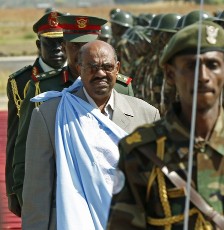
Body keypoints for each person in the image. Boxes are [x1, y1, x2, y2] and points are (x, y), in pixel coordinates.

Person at [107, 21, 224, 229]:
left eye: (212, 65)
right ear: (170, 74)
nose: (203, 77)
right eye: (191, 66)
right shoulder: (140, 151)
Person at [22, 40, 160, 229]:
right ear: (79, 68)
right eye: (92, 67)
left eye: (107, 67)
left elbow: (155, 186)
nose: (100, 73)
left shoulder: (146, 115)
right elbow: (36, 191)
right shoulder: (50, 115)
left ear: (117, 68)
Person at [12, 14, 133, 211]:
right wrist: (19, 192)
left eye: (88, 45)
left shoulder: (120, 87)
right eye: (75, 46)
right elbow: (24, 144)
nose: (81, 52)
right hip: (62, 194)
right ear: (64, 46)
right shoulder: (44, 87)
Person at [5, 10, 66, 217]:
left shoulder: (80, 75)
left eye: (62, 42)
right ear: (39, 45)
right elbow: (15, 138)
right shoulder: (21, 82)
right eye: (50, 43)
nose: (58, 48)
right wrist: (13, 188)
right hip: (36, 170)